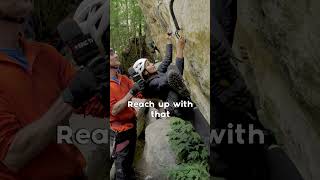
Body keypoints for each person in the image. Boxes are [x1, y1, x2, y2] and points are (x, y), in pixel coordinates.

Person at [0, 0, 107, 179]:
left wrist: (105, 87)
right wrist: (71, 96)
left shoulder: (45, 54)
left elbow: (93, 106)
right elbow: (13, 156)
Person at [132, 33, 191, 118]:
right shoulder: (153, 84)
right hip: (178, 110)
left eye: (150, 62)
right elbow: (176, 75)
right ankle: (185, 97)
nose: (152, 64)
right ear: (145, 72)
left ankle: (184, 96)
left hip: (179, 102)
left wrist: (168, 40)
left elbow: (167, 59)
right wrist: (180, 49)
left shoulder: (157, 72)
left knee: (171, 68)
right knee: (171, 73)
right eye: (148, 65)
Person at [110, 48, 143, 180]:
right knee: (121, 168)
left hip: (132, 125)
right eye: (112, 54)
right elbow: (114, 110)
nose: (116, 54)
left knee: (129, 162)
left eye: (114, 52)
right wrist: (131, 93)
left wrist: (143, 82)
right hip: (119, 131)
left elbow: (139, 94)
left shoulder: (123, 78)